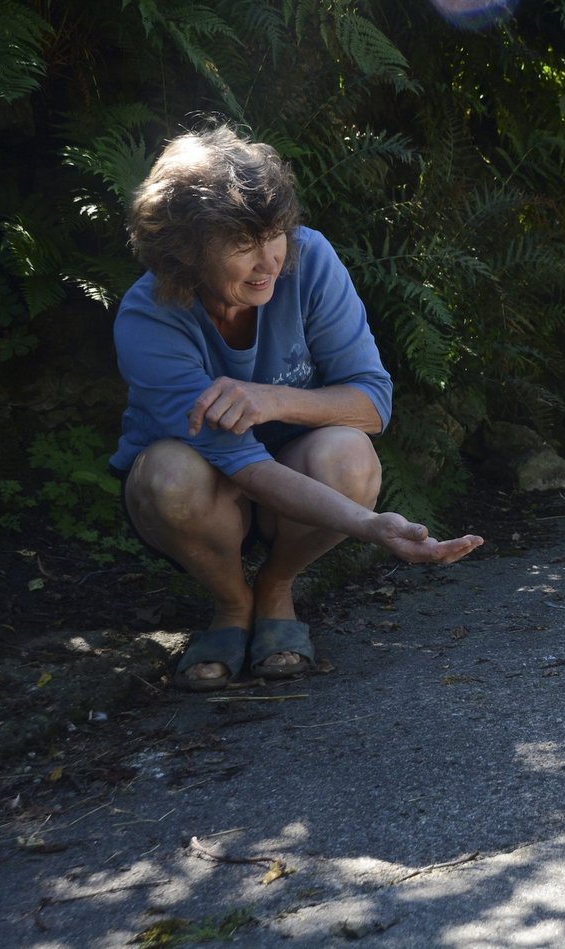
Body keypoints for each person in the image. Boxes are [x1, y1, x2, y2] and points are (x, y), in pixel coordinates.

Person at [110, 123, 482, 691]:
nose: (269, 262)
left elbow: (371, 403)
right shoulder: (147, 318)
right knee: (168, 475)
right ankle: (232, 603)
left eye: (275, 233)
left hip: (298, 472)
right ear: (185, 250)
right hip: (211, 486)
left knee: (351, 455)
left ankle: (276, 586)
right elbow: (246, 466)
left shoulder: (309, 260)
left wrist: (270, 399)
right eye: (242, 243)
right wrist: (370, 528)